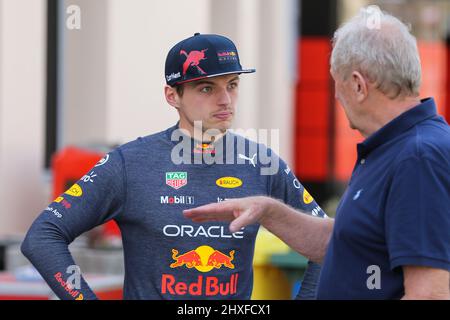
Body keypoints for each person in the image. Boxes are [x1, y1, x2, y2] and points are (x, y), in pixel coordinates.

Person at [21, 33, 326, 300]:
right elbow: (42, 237)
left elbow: (329, 244)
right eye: (206, 88)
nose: (225, 100)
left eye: (232, 85)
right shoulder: (130, 163)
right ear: (172, 95)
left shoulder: (263, 164)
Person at [184, 9, 450, 300]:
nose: (336, 95)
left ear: (359, 86)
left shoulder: (419, 157)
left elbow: (430, 295)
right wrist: (268, 211)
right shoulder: (394, 147)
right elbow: (348, 243)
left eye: (338, 82)